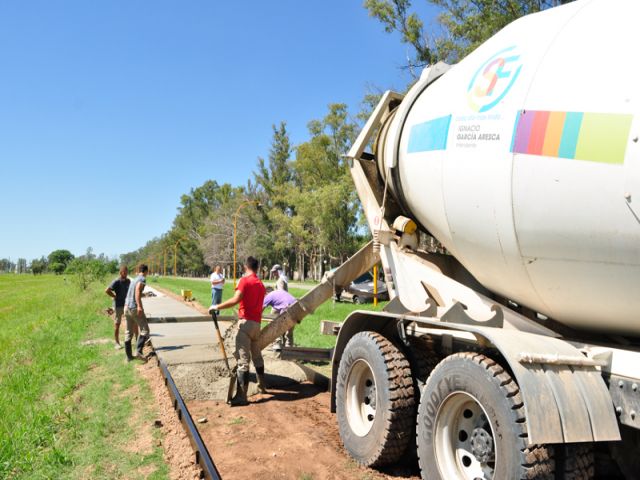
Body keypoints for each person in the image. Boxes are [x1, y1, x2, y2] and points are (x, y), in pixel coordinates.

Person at [209, 256, 266, 406]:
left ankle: (242, 397)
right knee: (257, 356)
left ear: (246, 267)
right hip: (256, 325)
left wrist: (216, 306)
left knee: (243, 362)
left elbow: (235, 300)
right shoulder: (261, 284)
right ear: (257, 268)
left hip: (246, 324)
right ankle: (262, 386)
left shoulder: (244, 281)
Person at [124, 264, 150, 362]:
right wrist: (139, 306)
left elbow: (134, 292)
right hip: (134, 308)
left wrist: (144, 294)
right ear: (146, 271)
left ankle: (129, 357)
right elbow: (138, 291)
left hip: (126, 308)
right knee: (145, 330)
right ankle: (138, 352)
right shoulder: (142, 279)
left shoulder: (134, 279)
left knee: (128, 332)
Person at [263, 286, 296, 351]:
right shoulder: (279, 292)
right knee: (289, 328)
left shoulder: (269, 295)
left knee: (274, 324)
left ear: (266, 293)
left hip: (286, 309)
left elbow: (261, 308)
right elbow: (278, 307)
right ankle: (289, 346)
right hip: (296, 307)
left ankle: (277, 343)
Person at [105, 265, 131, 349]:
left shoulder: (128, 281)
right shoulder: (116, 281)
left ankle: (128, 341)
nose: (126, 273)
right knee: (117, 324)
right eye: (124, 272)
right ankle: (117, 342)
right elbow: (107, 290)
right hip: (118, 305)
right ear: (120, 272)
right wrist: (114, 296)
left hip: (126, 305)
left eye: (126, 272)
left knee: (130, 323)